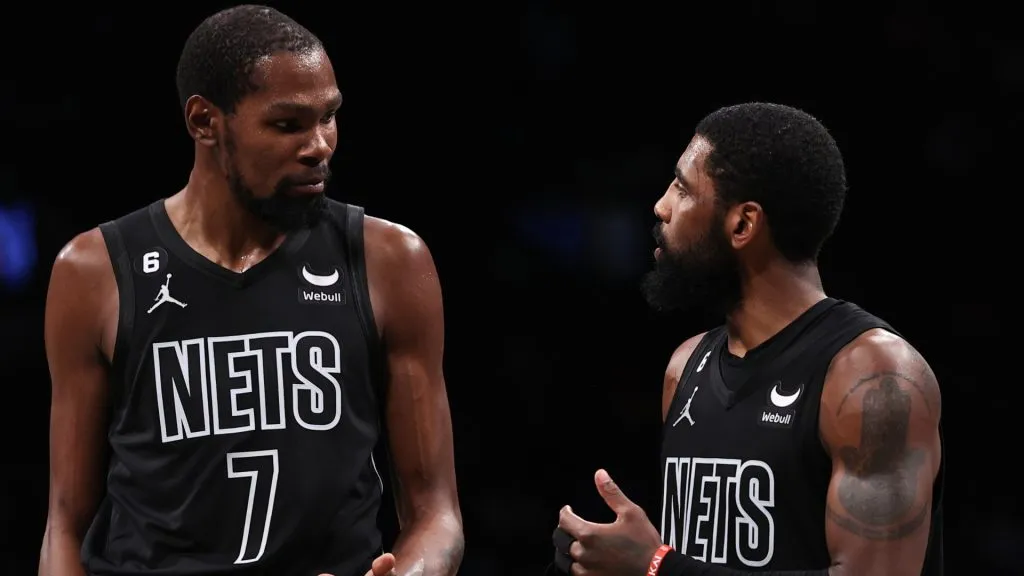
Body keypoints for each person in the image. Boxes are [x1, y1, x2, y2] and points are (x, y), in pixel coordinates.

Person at [39, 5, 463, 576]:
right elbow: (65, 524)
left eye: (329, 117)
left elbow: (436, 513)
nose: (320, 146)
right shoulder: (94, 271)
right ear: (204, 122)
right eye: (288, 124)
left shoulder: (389, 260)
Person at [552, 102, 944, 575]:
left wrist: (655, 566)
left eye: (682, 187)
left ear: (742, 224)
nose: (661, 205)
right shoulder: (685, 365)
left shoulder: (873, 376)